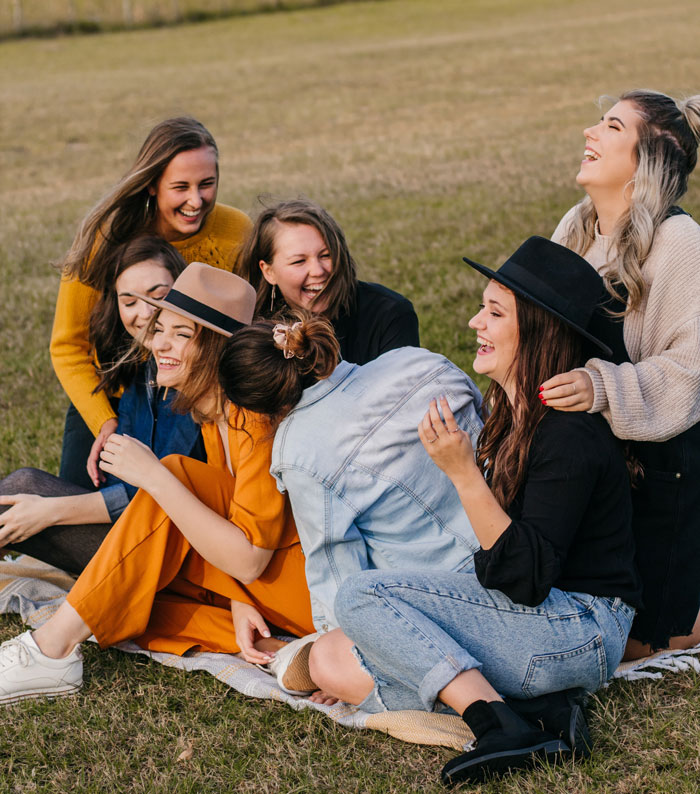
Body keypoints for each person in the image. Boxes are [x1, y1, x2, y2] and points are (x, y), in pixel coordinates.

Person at [301, 238, 642, 785]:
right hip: (539, 623)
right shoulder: (510, 417)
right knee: (331, 655)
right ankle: (539, 713)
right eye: (482, 307)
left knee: (362, 596)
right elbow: (493, 570)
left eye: (494, 312)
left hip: (581, 629)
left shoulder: (567, 434)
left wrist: (462, 473)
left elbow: (524, 579)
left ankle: (496, 723)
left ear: (537, 329)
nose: (472, 322)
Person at [0, 264, 313, 705]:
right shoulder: (211, 414)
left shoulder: (255, 419)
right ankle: (279, 652)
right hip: (261, 590)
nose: (160, 343)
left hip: (306, 588)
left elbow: (249, 560)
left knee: (174, 475)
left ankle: (51, 649)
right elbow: (230, 527)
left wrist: (153, 476)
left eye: (182, 335)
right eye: (160, 329)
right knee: (127, 597)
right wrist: (239, 601)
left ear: (218, 349)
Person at [541, 90, 700, 658]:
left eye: (610, 126)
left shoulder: (680, 242)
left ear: (649, 158)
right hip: (581, 453)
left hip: (658, 468)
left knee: (640, 641)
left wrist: (599, 387)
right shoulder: (577, 226)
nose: (589, 132)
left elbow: (689, 372)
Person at [218, 314, 483, 634]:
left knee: (320, 662)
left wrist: (333, 647)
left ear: (259, 408)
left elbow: (338, 576)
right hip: (516, 538)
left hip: (448, 600)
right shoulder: (416, 359)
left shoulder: (299, 451)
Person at [52, 117, 252, 490]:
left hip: (195, 395)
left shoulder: (236, 230)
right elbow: (68, 347)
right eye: (180, 187)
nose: (196, 200)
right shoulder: (106, 239)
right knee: (74, 503)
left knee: (175, 496)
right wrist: (103, 421)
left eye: (206, 184)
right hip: (113, 394)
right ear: (150, 185)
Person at [0, 236, 205, 574]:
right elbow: (119, 478)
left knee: (25, 496)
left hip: (177, 556)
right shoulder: (144, 370)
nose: (146, 313)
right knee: (23, 489)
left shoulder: (194, 380)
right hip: (135, 532)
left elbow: (157, 494)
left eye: (159, 296)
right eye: (130, 301)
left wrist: (51, 512)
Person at [236, 198, 419, 364]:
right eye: (299, 261)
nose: (318, 271)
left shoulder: (389, 314)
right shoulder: (251, 330)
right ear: (269, 272)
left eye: (326, 255)